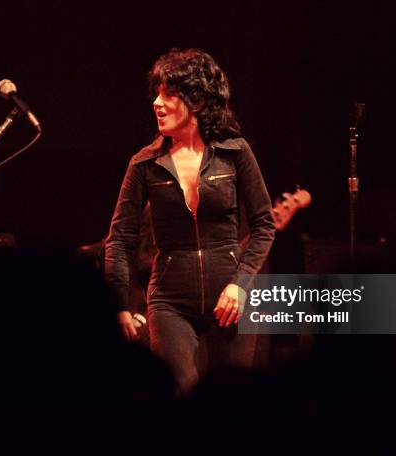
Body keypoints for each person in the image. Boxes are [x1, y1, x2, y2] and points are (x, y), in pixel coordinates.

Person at [104, 48, 275, 394]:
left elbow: (263, 224)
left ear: (196, 102)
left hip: (230, 300)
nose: (157, 102)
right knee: (177, 397)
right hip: (169, 301)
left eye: (169, 94)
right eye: (156, 93)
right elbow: (120, 239)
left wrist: (240, 285)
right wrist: (119, 304)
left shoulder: (235, 151)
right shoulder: (144, 164)